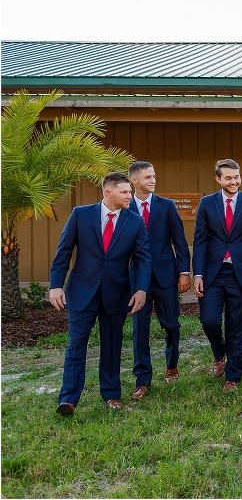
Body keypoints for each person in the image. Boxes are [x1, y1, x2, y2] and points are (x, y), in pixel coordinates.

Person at [50, 172, 151, 415]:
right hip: (81, 292)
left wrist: (141, 290)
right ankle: (68, 399)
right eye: (125, 192)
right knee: (76, 345)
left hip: (117, 294)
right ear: (108, 192)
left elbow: (143, 259)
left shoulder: (135, 221)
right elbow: (64, 251)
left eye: (130, 192)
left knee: (112, 345)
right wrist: (55, 285)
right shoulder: (80, 215)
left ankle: (111, 393)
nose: (130, 196)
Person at [193, 158, 242, 393]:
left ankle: (233, 375)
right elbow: (200, 240)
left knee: (238, 326)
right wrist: (198, 274)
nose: (234, 181)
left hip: (241, 273)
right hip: (213, 273)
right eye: (228, 178)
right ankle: (219, 353)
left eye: (236, 177)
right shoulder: (207, 204)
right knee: (210, 320)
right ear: (218, 179)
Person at [127, 161, 191, 400]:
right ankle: (143, 380)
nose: (153, 180)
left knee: (172, 325)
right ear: (134, 180)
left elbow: (180, 241)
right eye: (147, 177)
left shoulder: (166, 206)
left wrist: (184, 272)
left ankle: (172, 364)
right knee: (139, 330)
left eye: (154, 176)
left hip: (165, 275)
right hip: (137, 281)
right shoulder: (125, 207)